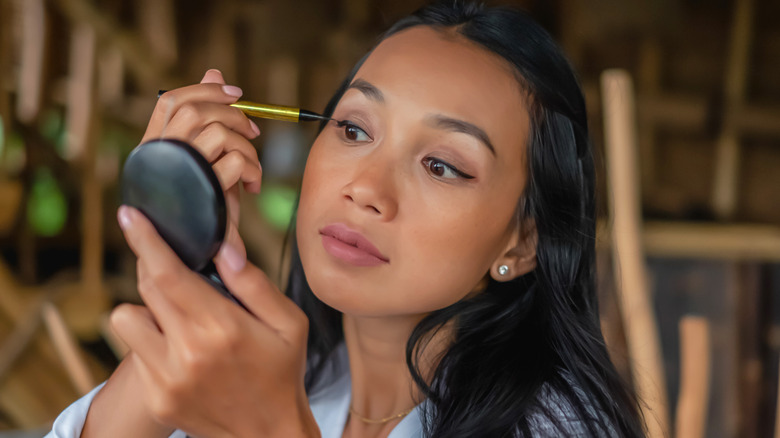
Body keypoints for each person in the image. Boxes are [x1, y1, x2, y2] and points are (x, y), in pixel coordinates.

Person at [47, 1, 646, 437]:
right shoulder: (291, 381)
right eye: (355, 130)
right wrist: (194, 273)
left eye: (441, 165)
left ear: (524, 240)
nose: (365, 188)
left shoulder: (559, 427)